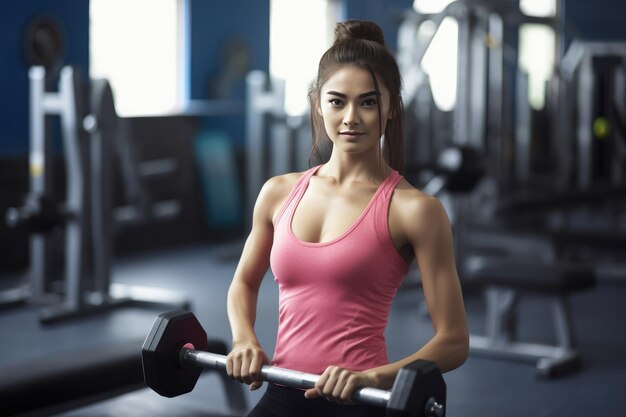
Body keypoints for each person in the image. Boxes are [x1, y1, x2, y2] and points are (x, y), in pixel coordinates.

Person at [226, 19, 468, 417]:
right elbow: (243, 283)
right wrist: (244, 339)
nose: (350, 117)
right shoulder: (278, 193)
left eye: (368, 102)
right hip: (283, 390)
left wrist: (375, 378)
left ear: (391, 108)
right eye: (337, 101)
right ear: (318, 103)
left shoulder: (416, 210)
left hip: (360, 399)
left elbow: (454, 341)